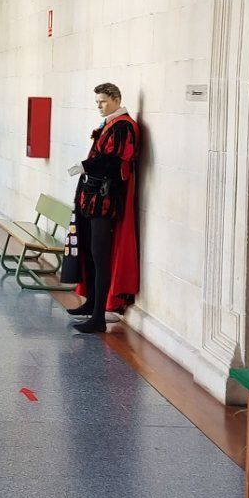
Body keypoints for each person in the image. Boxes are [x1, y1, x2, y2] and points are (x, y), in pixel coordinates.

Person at [67, 82, 140, 333]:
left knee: (100, 257)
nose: (99, 106)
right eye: (97, 102)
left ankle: (99, 316)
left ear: (117, 99)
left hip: (105, 201)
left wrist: (86, 166)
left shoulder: (124, 126)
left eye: (103, 101)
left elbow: (114, 161)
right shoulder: (110, 123)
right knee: (89, 251)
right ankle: (91, 304)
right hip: (93, 198)